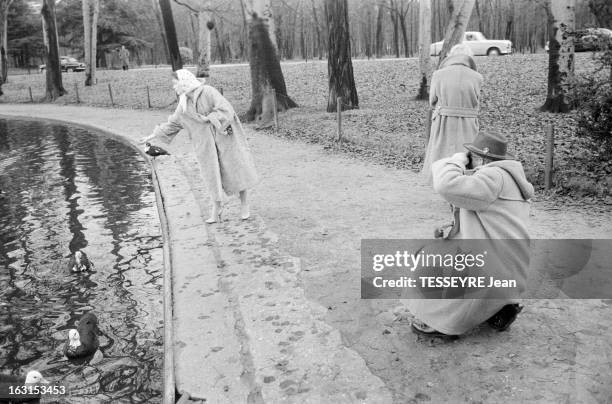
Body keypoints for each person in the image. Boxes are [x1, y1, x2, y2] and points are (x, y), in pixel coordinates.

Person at [408, 130, 534, 337]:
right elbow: (489, 220)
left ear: (482, 158)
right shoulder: (509, 178)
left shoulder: (492, 176)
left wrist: (456, 161)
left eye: (471, 157)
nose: (469, 162)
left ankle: (439, 323)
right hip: (510, 265)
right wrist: (453, 228)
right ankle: (501, 307)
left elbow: (445, 184)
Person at [140, 69, 258, 223]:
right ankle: (217, 206)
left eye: (175, 84)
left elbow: (226, 109)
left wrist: (209, 118)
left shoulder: (208, 92)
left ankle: (244, 205)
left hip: (224, 137)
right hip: (204, 144)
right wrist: (153, 135)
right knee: (210, 175)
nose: (173, 87)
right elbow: (173, 123)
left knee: (236, 169)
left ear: (183, 82)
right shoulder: (183, 104)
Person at [421, 43, 483, 185]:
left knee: (443, 154)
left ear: (451, 57)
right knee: (466, 154)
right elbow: (477, 101)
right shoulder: (477, 77)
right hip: (468, 122)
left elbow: (432, 101)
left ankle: (444, 184)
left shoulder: (439, 74)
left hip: (444, 121)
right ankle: (463, 185)